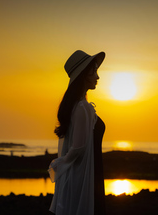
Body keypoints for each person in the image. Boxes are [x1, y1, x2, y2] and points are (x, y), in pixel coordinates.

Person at [48, 50, 106, 215]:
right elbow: (78, 147)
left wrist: (62, 163)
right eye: (94, 71)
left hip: (86, 172)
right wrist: (61, 163)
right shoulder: (81, 107)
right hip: (85, 176)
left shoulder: (79, 106)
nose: (97, 76)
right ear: (83, 75)